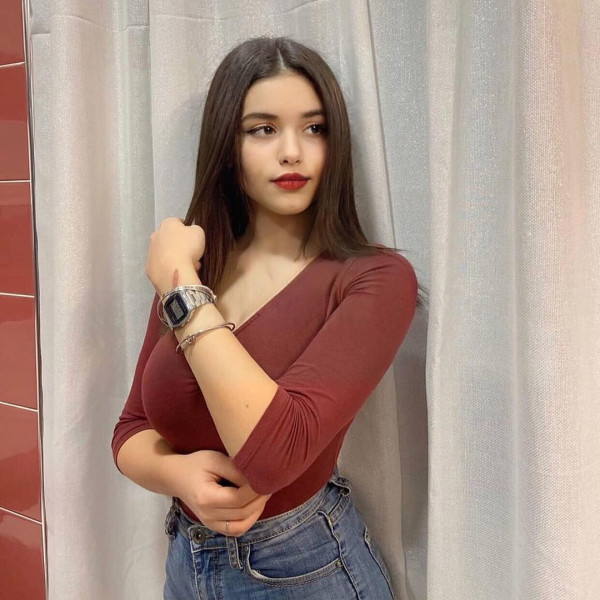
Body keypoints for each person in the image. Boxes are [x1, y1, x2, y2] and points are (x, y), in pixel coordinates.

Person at [112, 36, 418, 600]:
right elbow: (130, 429)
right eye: (263, 129)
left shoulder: (374, 278)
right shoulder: (204, 264)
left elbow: (275, 457)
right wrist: (182, 478)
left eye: (314, 127)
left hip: (304, 568)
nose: (292, 152)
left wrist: (180, 288)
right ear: (228, 146)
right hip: (184, 561)